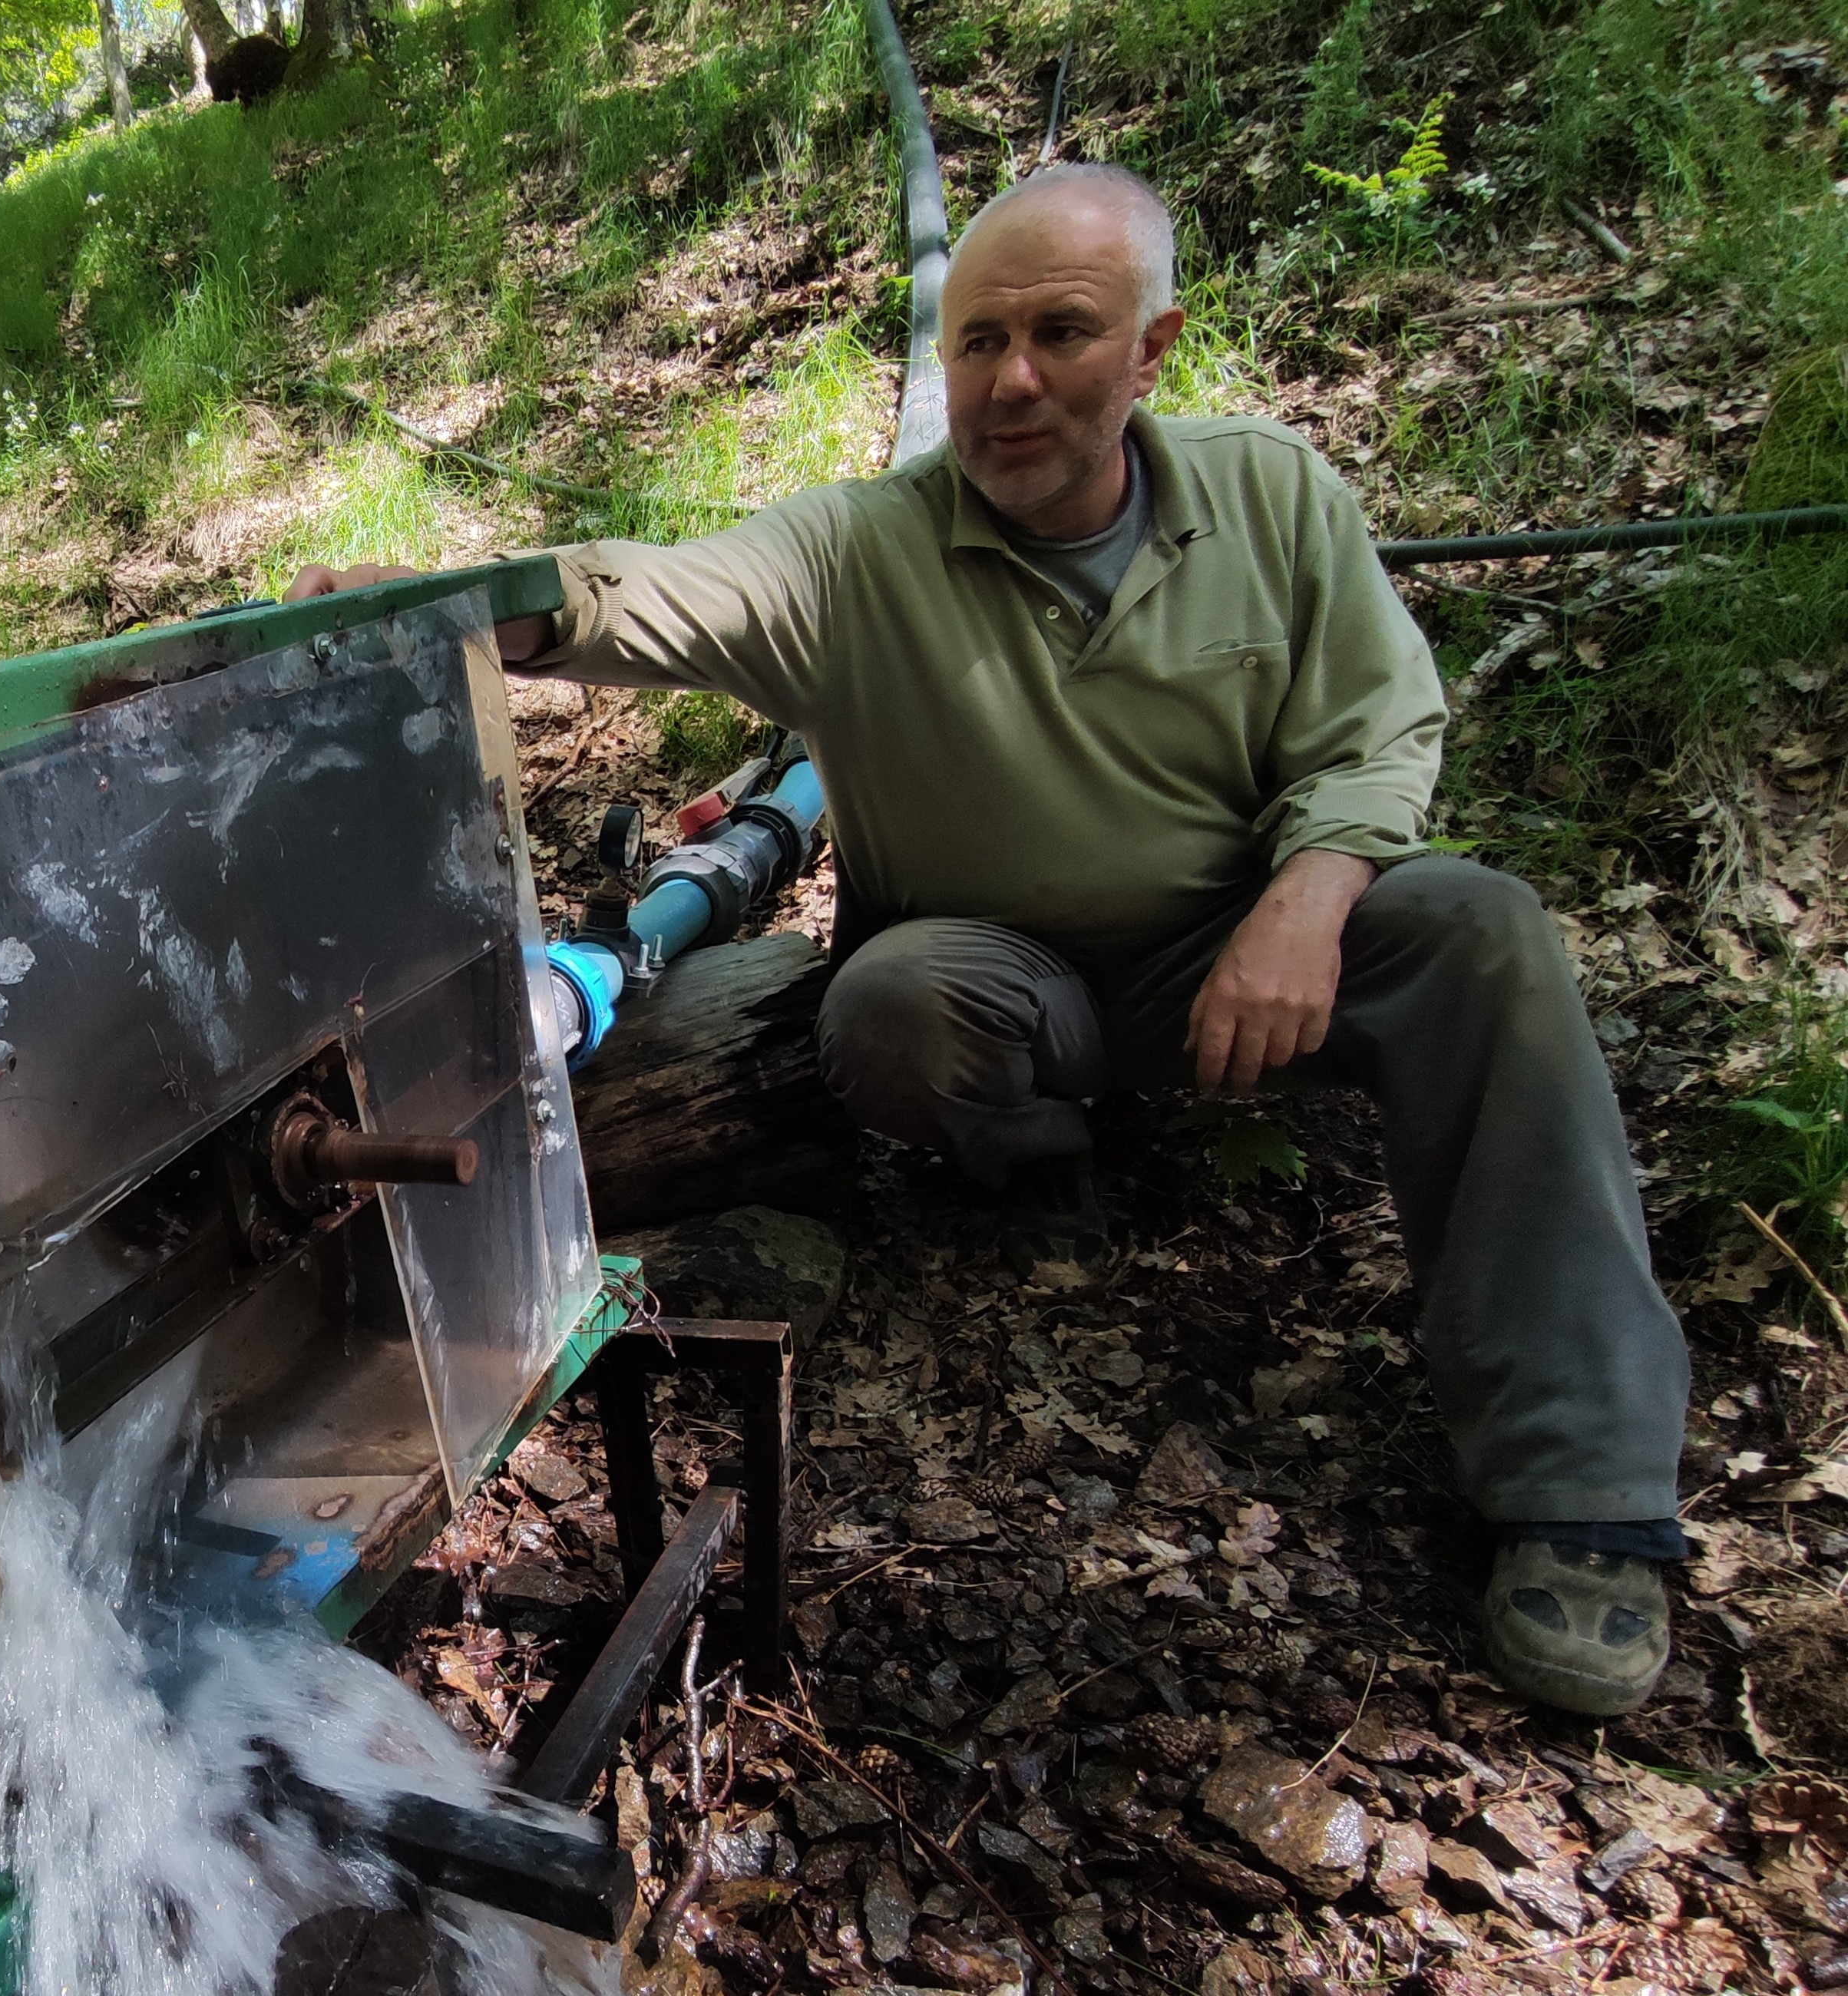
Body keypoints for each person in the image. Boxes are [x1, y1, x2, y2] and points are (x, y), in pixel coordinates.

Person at [286, 161, 1691, 1719]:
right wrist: (477, 608)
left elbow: (1376, 729)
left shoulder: (1270, 496)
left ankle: (1580, 1488)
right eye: (975, 343)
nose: (1011, 381)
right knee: (890, 1002)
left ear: (1149, 351)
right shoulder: (860, 553)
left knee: (1484, 933)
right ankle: (1041, 1167)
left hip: (1230, 955)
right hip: (990, 981)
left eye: (1062, 335)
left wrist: (1311, 893)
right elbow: (651, 596)